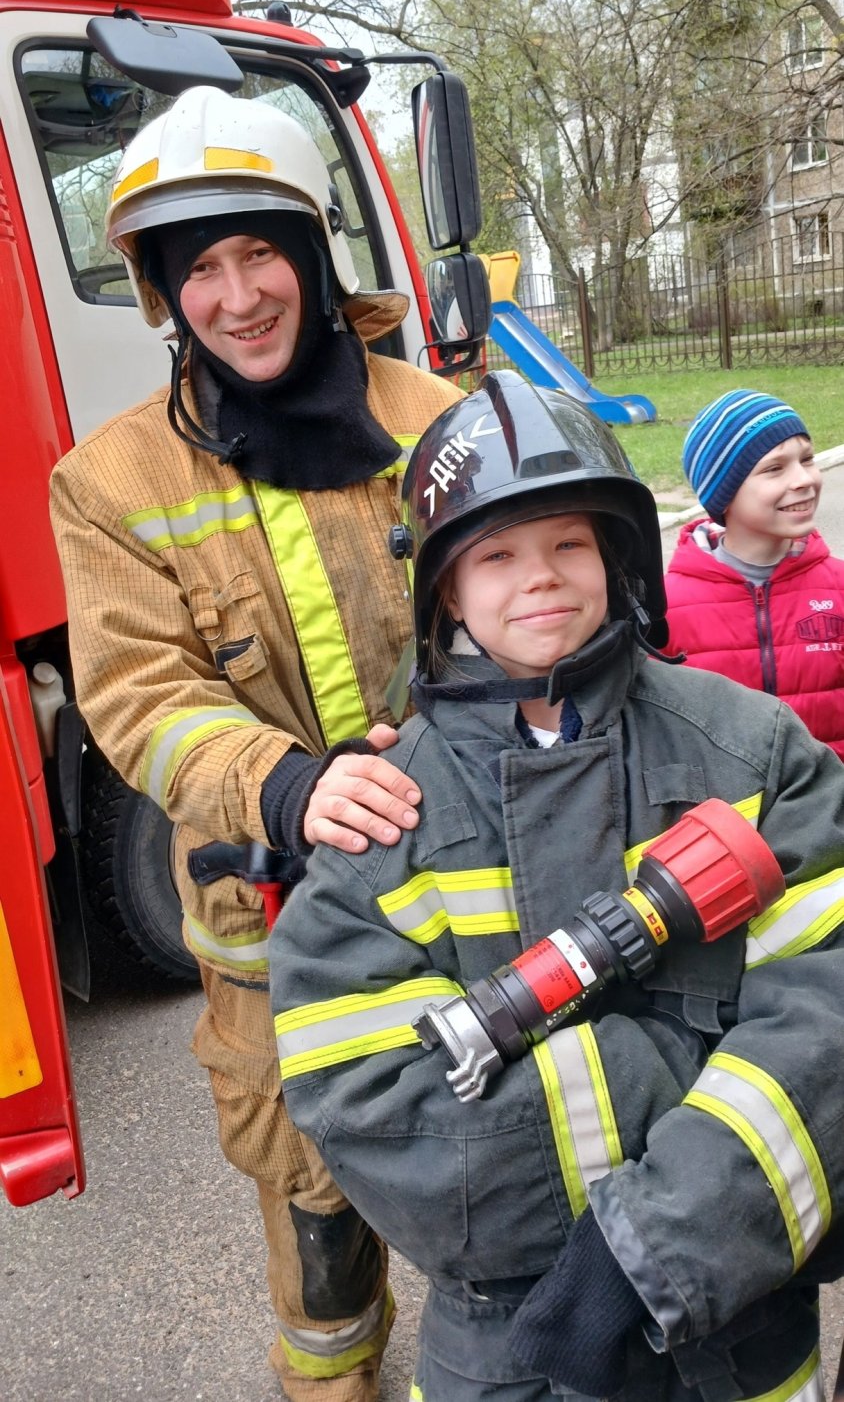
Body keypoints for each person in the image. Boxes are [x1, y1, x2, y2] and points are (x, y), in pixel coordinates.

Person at [269, 369, 844, 1402]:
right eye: (495, 554)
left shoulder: (753, 750)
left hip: (742, 1340)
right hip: (505, 1352)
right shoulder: (387, 816)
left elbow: (828, 1023)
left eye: (569, 544)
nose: (539, 578)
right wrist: (687, 1066)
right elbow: (373, 1115)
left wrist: (658, 1242)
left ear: (617, 558)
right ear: (445, 590)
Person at [49, 84, 462, 1401]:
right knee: (317, 1220)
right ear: (164, 292)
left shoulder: (439, 415)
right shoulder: (109, 483)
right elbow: (136, 696)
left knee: (512, 1164)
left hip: (470, 889)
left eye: (258, 253)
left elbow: (525, 605)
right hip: (272, 931)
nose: (236, 297)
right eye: (200, 269)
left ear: (310, 253)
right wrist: (280, 786)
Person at [664, 387, 844, 757]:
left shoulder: (839, 587)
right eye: (775, 468)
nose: (804, 479)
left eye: (807, 459)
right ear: (723, 493)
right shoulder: (665, 608)